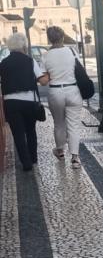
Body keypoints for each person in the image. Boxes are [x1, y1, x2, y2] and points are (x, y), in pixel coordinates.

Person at [0, 32, 48, 171]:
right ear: (24, 46)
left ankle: (26, 163)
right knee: (30, 130)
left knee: (18, 133)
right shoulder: (30, 61)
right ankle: (33, 158)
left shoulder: (3, 63)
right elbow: (43, 81)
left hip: (11, 102)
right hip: (29, 101)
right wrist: (50, 74)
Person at [42, 26, 84, 167]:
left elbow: (44, 78)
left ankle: (60, 151)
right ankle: (75, 158)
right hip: (72, 90)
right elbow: (78, 68)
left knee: (59, 123)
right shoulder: (72, 51)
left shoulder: (46, 55)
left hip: (55, 92)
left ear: (49, 39)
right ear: (62, 37)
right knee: (74, 125)